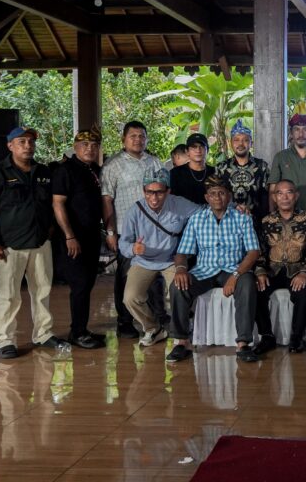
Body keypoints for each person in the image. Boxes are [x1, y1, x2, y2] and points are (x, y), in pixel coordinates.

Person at [0, 127, 64, 359]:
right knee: (9, 295)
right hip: (9, 246)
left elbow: (51, 204)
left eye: (30, 142)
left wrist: (49, 232)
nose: (27, 145)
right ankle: (5, 340)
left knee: (43, 291)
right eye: (21, 142)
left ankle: (44, 333)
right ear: (10, 145)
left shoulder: (43, 172)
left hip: (39, 243)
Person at [166, 175, 261, 363]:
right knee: (177, 286)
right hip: (204, 270)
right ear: (206, 198)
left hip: (232, 269)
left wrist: (236, 275)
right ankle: (181, 342)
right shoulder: (196, 220)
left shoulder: (242, 218)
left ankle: (243, 344)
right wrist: (181, 269)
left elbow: (253, 252)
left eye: (221, 193)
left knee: (248, 282)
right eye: (212, 194)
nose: (217, 197)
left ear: (229, 196)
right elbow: (182, 252)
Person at [118, 169, 201, 348]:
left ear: (168, 191)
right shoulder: (135, 211)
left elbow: (205, 212)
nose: (154, 198)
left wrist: (234, 207)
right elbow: (123, 243)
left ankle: (183, 330)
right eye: (149, 192)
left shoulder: (179, 204)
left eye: (159, 192)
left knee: (181, 290)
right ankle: (153, 328)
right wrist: (134, 248)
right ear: (143, 191)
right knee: (130, 297)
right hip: (143, 261)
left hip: (172, 260)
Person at [102, 120, 165, 339]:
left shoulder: (155, 162)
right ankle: (124, 321)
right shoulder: (113, 165)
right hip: (125, 231)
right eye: (133, 136)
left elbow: (165, 194)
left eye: (142, 136)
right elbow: (107, 200)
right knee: (126, 275)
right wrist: (110, 232)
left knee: (155, 275)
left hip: (155, 230)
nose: (138, 140)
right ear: (124, 139)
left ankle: (158, 318)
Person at [51, 126, 106, 349]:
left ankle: (82, 328)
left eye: (94, 145)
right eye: (84, 145)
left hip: (92, 236)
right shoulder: (66, 170)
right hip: (74, 238)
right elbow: (58, 204)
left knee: (88, 282)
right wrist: (69, 236)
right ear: (75, 147)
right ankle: (77, 332)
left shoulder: (94, 170)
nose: (90, 149)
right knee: (80, 284)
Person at [253, 179, 306, 355]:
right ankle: (267, 336)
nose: (285, 197)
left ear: (296, 195)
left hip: (297, 269)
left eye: (289, 192)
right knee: (257, 290)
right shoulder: (266, 221)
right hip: (272, 270)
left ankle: (297, 338)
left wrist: (305, 272)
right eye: (280, 193)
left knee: (305, 292)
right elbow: (259, 249)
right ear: (274, 197)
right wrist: (260, 271)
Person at [216, 119, 271, 224]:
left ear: (251, 143)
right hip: (228, 223)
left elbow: (268, 195)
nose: (240, 144)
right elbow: (216, 196)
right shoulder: (221, 168)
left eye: (245, 140)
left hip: (257, 223)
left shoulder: (261, 166)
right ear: (230, 143)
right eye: (236, 140)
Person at [170, 133, 216, 204]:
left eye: (202, 146)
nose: (198, 150)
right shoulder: (175, 174)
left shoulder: (215, 172)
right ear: (187, 151)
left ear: (207, 150)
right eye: (194, 147)